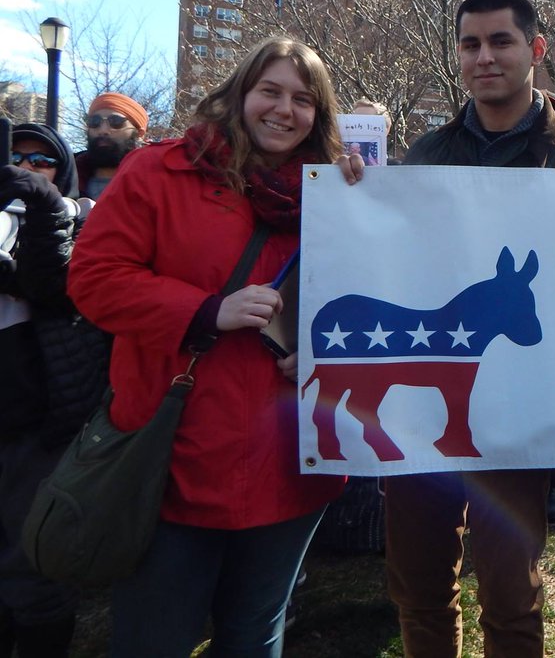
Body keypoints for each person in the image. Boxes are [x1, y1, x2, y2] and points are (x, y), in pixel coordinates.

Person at [341, 0, 555, 657]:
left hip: (522, 419)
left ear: (535, 51)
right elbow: (382, 261)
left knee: (512, 596)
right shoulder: (422, 160)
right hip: (420, 419)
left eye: (501, 41)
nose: (484, 56)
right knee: (420, 588)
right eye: (470, 44)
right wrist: (350, 196)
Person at [67, 38, 346, 657]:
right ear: (240, 93)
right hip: (172, 464)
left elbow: (365, 297)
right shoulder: (159, 171)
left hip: (290, 465)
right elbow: (92, 280)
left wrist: (330, 350)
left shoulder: (339, 195)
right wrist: (206, 310)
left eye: (303, 99)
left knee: (255, 638)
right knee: (154, 640)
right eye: (270, 91)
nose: (284, 110)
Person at [0, 124, 107, 657]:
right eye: (14, 157)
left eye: (40, 161)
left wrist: (42, 209)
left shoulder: (81, 217)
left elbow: (60, 289)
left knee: (31, 565)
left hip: (37, 424)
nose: (25, 167)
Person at [74, 92, 148, 200]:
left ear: (139, 134)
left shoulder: (155, 184)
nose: (103, 130)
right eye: (95, 122)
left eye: (116, 122)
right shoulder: (63, 178)